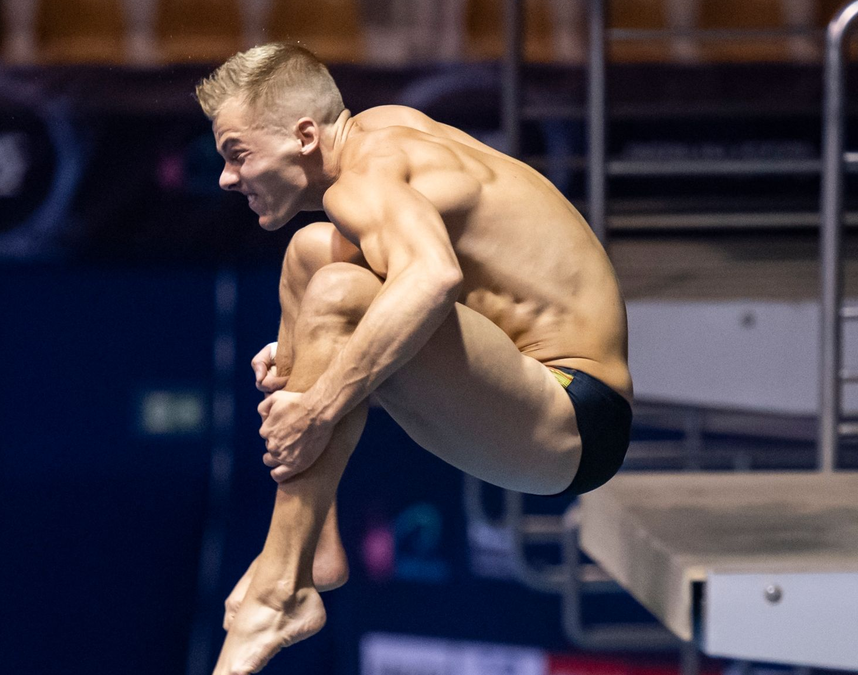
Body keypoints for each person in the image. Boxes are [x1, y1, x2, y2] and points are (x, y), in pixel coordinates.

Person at [195, 43, 633, 675]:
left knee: (339, 294)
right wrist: (305, 350)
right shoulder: (382, 130)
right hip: (528, 381)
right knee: (310, 257)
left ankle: (278, 588)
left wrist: (317, 406)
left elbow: (431, 277)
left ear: (304, 136)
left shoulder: (362, 182)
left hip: (574, 414)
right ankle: (314, 551)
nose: (227, 178)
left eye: (238, 154)